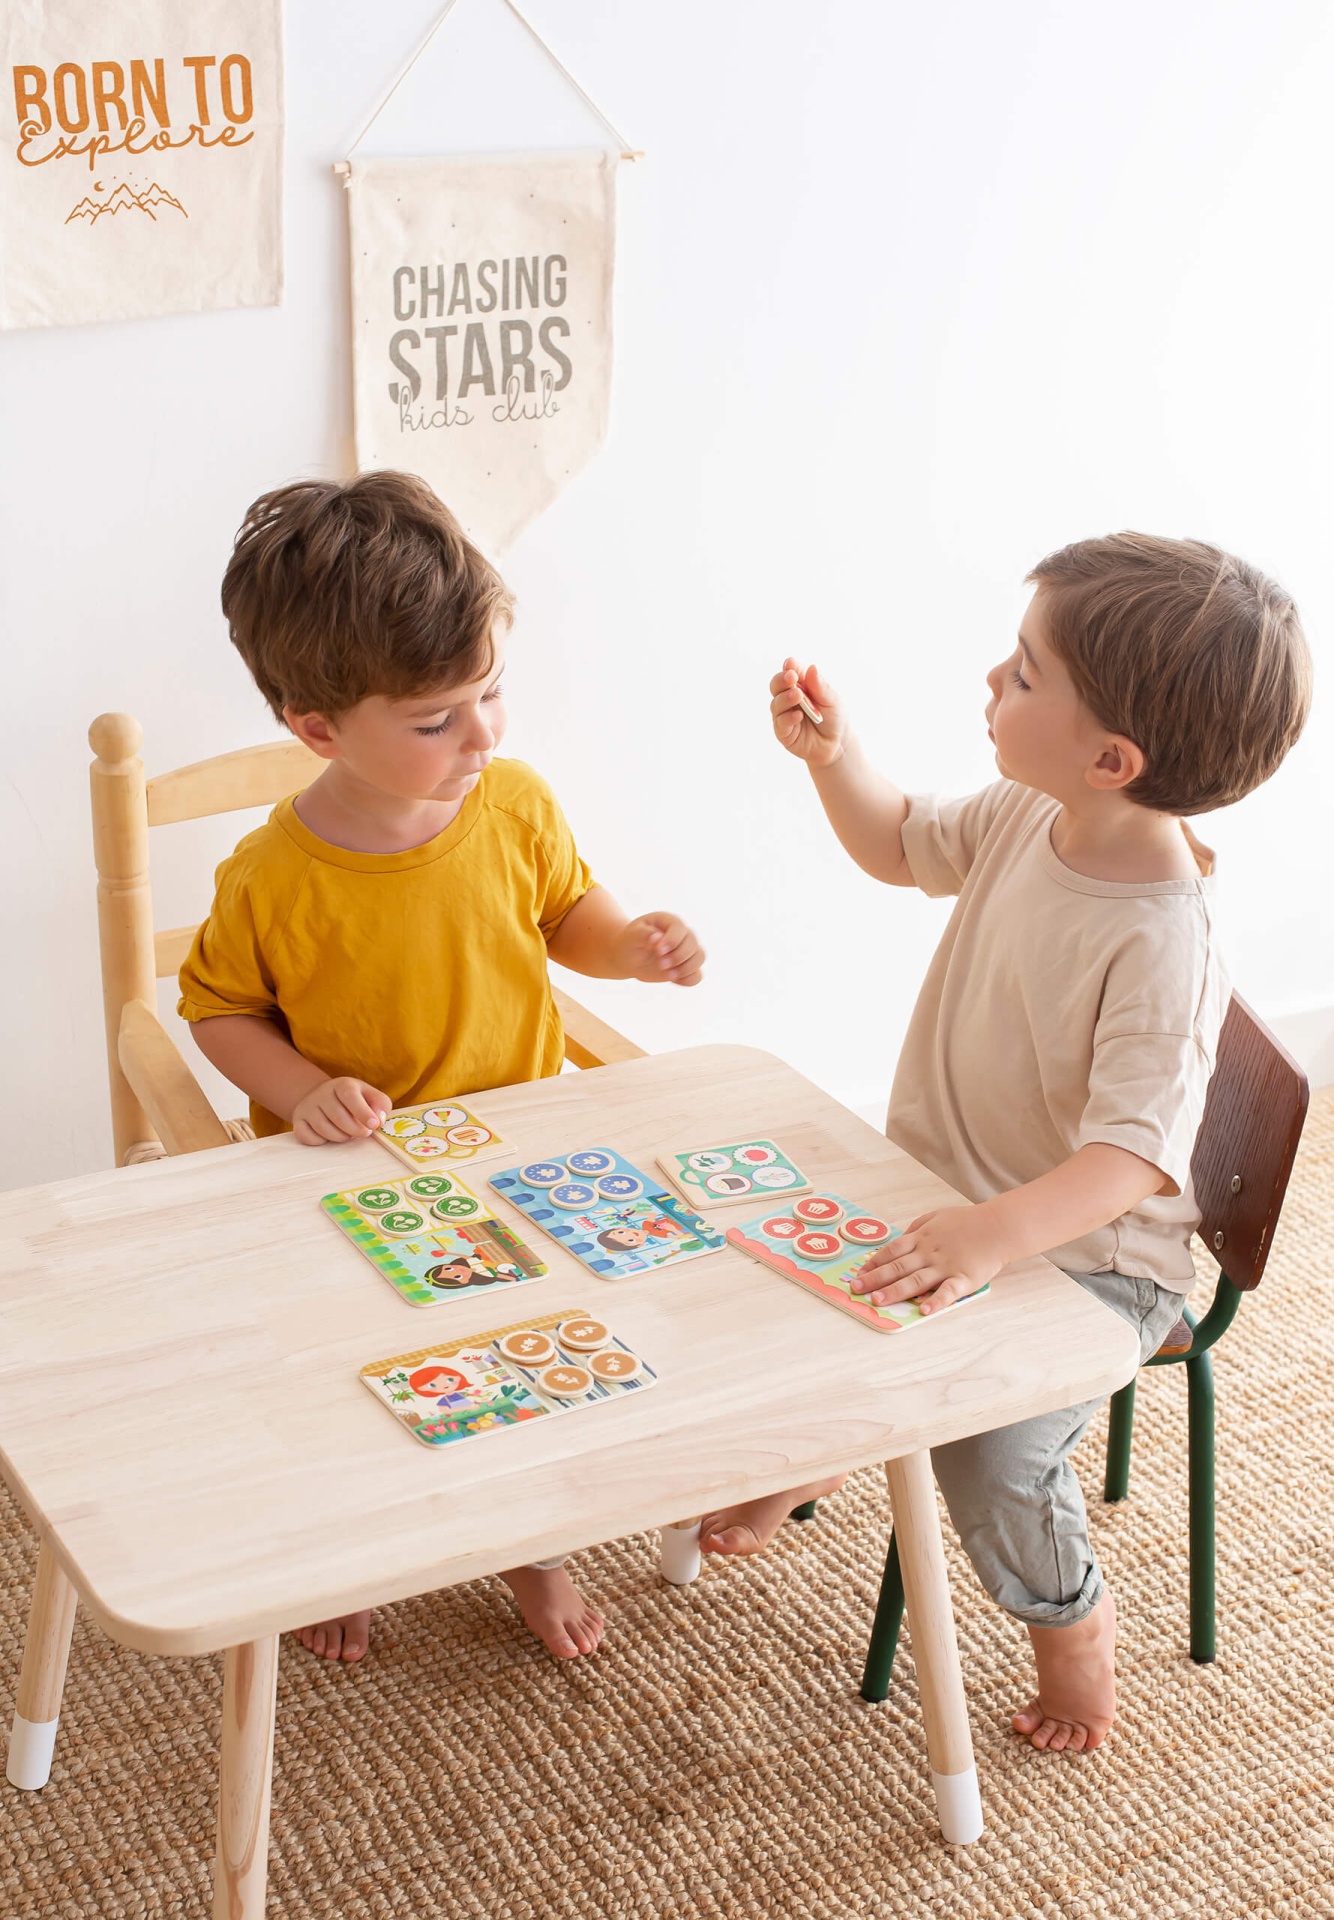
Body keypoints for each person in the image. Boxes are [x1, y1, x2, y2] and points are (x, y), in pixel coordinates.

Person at [699, 533, 1310, 1753]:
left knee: (988, 1459)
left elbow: (1128, 1164)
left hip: (1090, 1261)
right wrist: (835, 759)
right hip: (952, 1199)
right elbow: (895, 843)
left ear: (1110, 759)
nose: (992, 679)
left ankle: (1069, 1626)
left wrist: (987, 1238)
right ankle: (831, 1445)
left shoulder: (1161, 942)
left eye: (1023, 673)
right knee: (752, 1273)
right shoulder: (1034, 809)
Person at [179, 470, 705, 1664]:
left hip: (516, 1155)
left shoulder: (513, 804)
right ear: (318, 729)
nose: (483, 735)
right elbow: (217, 1012)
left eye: (491, 693)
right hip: (345, 1178)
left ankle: (532, 1547)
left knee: (535, 1355)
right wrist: (300, 1091)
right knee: (349, 1373)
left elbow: (565, 916)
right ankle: (354, 1546)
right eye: (436, 721)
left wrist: (629, 947)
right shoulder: (271, 877)